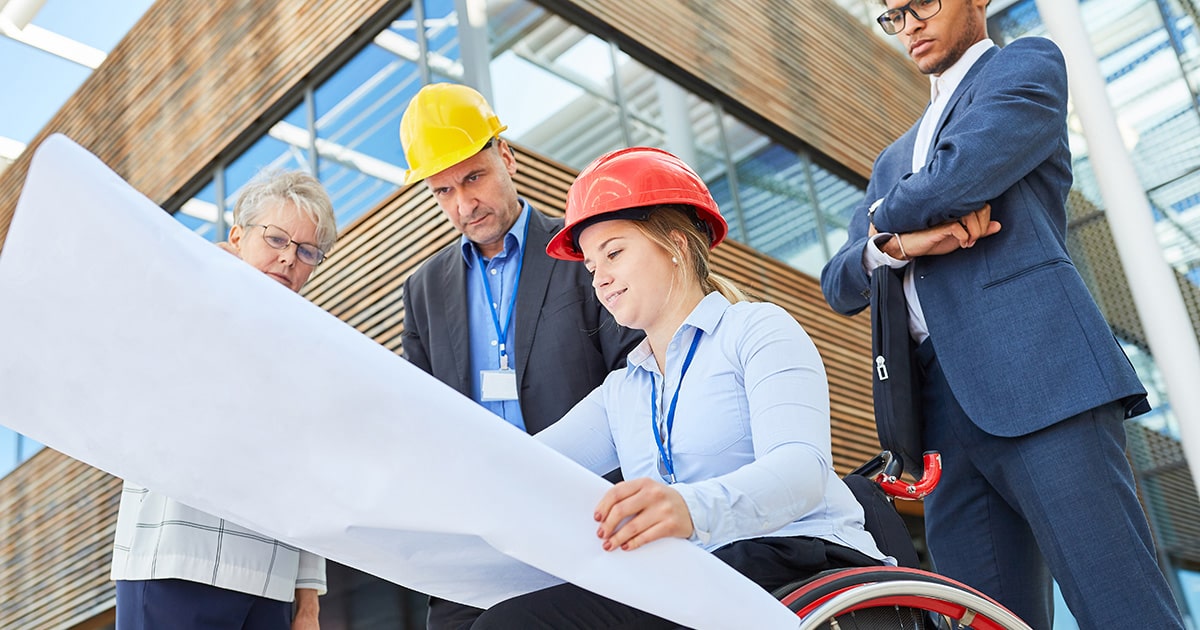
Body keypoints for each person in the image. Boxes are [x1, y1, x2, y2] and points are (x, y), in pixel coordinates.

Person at [820, 1, 1185, 628]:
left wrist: (880, 223)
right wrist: (898, 241)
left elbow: (956, 178)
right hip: (936, 418)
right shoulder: (891, 159)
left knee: (1120, 605)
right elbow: (838, 282)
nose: (908, 25)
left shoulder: (1026, 67)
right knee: (976, 618)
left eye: (921, 4)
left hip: (1040, 380)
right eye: (892, 16)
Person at [466, 146, 887, 629]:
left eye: (614, 253)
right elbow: (524, 465)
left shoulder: (756, 330)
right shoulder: (622, 392)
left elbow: (801, 471)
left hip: (801, 562)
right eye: (589, 267)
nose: (599, 279)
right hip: (700, 577)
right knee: (508, 621)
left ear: (676, 246)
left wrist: (689, 507)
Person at [398, 84, 643, 629]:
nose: (464, 204)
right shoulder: (423, 290)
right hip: (483, 528)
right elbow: (422, 417)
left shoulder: (583, 249)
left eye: (473, 177)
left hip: (591, 513)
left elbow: (635, 369)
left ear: (505, 157)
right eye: (443, 191)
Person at [111, 170, 337, 630]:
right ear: (237, 237)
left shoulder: (309, 352)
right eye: (275, 239)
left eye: (306, 250)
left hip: (270, 586)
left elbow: (309, 479)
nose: (289, 259)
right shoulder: (182, 297)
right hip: (175, 563)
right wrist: (200, 277)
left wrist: (308, 603)